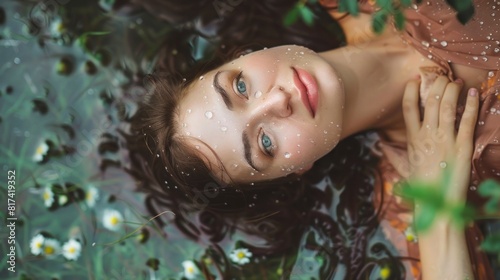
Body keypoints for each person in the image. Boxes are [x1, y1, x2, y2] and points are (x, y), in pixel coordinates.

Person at [126, 0, 499, 278]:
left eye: (240, 86)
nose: (277, 101)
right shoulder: (414, 195)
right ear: (296, 170)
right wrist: (439, 211)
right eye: (265, 143)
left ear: (239, 55)